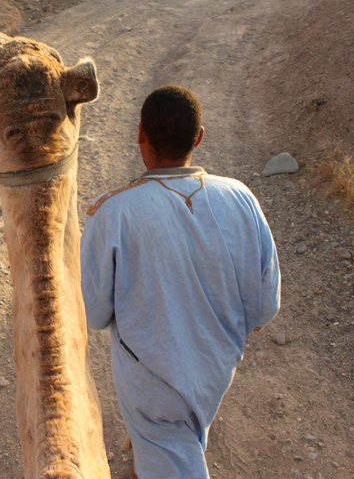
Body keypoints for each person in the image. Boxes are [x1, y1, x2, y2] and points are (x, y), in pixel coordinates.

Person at [80, 85, 280, 479]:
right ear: (199, 137)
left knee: (172, 457)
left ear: (140, 134)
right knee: (173, 451)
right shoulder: (241, 196)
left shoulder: (113, 212)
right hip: (216, 371)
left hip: (152, 385)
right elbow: (266, 307)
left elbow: (96, 314)